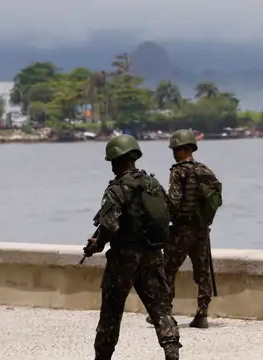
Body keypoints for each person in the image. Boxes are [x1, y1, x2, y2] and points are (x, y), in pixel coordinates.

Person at [83, 134, 181, 360]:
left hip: (123, 260)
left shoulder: (116, 190)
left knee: (111, 313)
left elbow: (109, 226)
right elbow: (171, 211)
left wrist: (96, 245)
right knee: (161, 309)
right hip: (153, 256)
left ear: (117, 160)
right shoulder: (152, 184)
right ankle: (171, 350)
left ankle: (103, 356)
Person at [160, 129, 221, 329]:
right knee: (203, 272)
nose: (173, 152)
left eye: (176, 149)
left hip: (181, 230)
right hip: (202, 230)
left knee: (167, 269)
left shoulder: (178, 172)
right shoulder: (206, 171)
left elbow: (174, 203)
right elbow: (215, 200)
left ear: (183, 149)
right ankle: (202, 314)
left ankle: (165, 313)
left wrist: (163, 218)